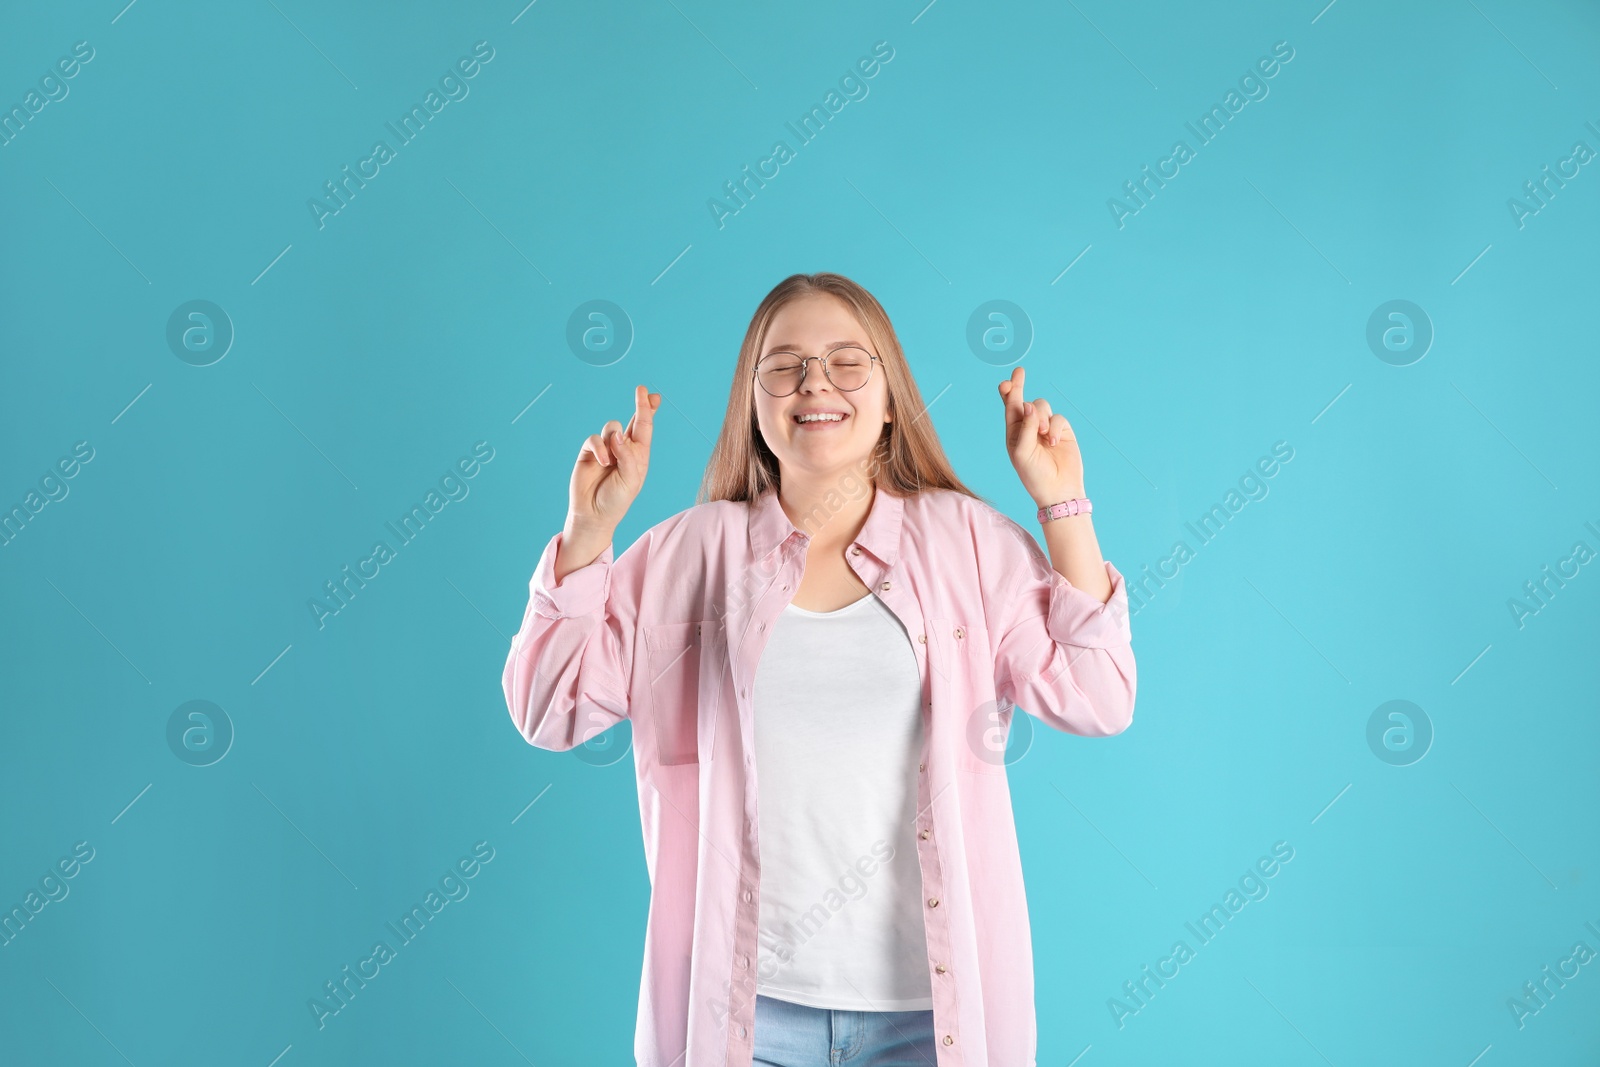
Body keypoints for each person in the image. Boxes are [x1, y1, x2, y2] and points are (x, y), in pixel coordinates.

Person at [503, 272, 1136, 1066]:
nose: (815, 384)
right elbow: (547, 705)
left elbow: (1099, 694)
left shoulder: (966, 543)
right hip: (743, 1016)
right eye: (786, 365)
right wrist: (587, 532)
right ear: (753, 399)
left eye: (846, 361)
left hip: (930, 1018)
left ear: (890, 395)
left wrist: (1063, 503)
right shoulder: (689, 554)